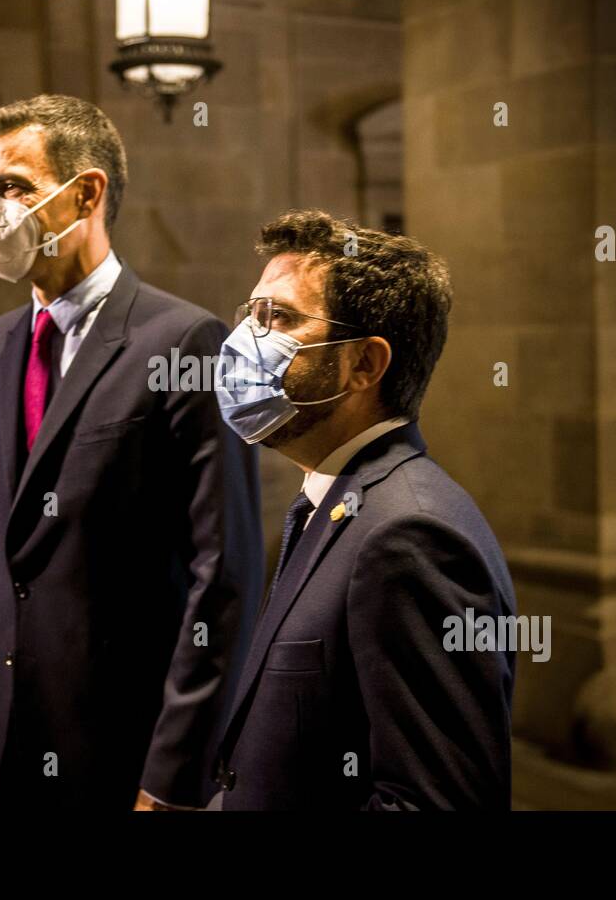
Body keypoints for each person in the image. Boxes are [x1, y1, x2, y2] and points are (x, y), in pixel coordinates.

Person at [0, 94, 262, 811]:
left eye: (13, 186)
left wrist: (177, 772)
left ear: (85, 193)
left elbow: (225, 572)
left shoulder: (184, 341)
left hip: (126, 743)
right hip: (6, 731)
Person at [209, 209, 516, 809]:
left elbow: (434, 803)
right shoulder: (335, 498)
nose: (246, 339)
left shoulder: (410, 534)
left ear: (365, 365)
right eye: (252, 313)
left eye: (282, 318)